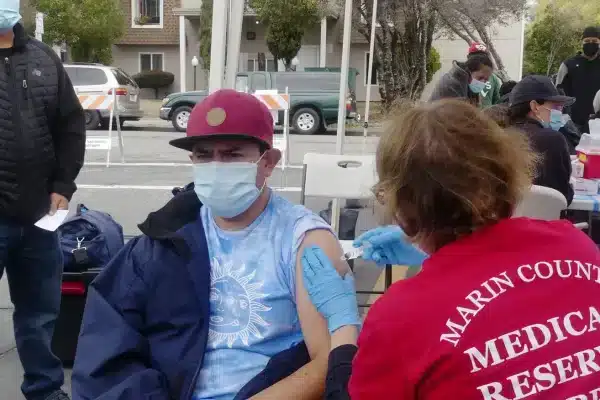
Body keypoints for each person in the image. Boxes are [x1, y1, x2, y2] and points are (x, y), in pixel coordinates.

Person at [301, 99, 600, 399]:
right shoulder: (574, 244)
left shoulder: (400, 319)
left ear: (400, 203)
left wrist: (342, 326)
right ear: (507, 170)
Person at [71, 89, 350, 400]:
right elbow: (107, 350)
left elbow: (330, 363)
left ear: (268, 162)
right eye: (204, 155)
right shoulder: (162, 241)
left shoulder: (303, 241)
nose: (216, 166)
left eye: (232, 155)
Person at [0, 5, 85, 400]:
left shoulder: (43, 58)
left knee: (40, 315)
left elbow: (69, 125)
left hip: (38, 216)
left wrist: (63, 186)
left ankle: (45, 390)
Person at [508, 75, 574, 203]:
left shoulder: (499, 136)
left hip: (506, 219)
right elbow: (563, 196)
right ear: (535, 106)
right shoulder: (553, 140)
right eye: (556, 107)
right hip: (544, 220)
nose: (560, 113)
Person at [556, 26, 600, 133]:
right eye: (587, 41)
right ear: (582, 42)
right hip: (573, 123)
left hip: (597, 124)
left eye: (594, 41)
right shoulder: (568, 65)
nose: (590, 43)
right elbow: (558, 92)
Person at [429, 52, 494, 106]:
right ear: (469, 71)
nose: (482, 82)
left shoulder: (467, 84)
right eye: (480, 78)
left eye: (486, 80)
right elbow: (459, 115)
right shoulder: (452, 84)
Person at [467, 42, 502, 108]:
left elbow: (497, 102)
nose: (479, 60)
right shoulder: (462, 77)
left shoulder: (493, 78)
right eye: (475, 57)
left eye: (483, 57)